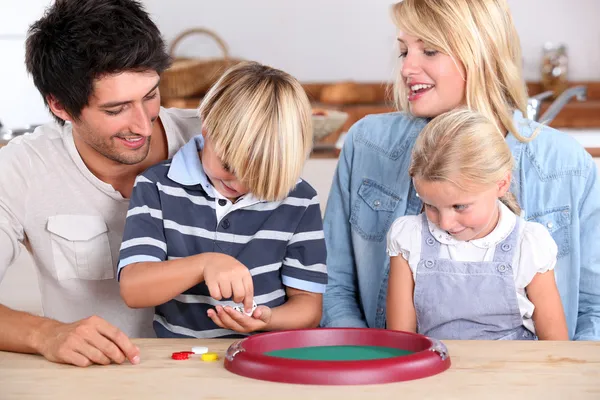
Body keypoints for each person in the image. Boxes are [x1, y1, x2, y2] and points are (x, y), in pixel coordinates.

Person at [321, 0, 600, 341]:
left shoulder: (567, 165)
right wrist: (368, 365)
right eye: (404, 51)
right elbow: (334, 285)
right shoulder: (367, 144)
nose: (407, 68)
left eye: (430, 51)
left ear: (481, 52)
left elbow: (594, 308)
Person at [0, 0, 200, 366]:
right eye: (116, 109)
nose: (143, 124)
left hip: (212, 371)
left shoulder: (212, 141)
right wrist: (44, 334)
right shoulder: (22, 168)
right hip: (92, 379)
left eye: (151, 95)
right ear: (60, 106)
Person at [117, 61, 327, 338]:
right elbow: (134, 289)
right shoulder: (157, 186)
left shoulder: (299, 200)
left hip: (266, 358)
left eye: (257, 173)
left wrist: (269, 320)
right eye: (228, 164)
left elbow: (309, 306)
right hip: (181, 363)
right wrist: (204, 264)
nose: (238, 183)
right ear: (206, 125)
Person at [386, 108, 569, 340]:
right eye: (430, 206)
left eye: (459, 207)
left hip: (514, 374)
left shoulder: (529, 244)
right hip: (437, 373)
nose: (445, 222)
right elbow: (400, 341)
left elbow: (556, 346)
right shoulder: (408, 237)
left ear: (501, 185)